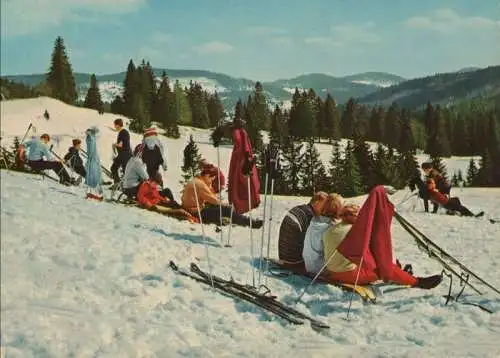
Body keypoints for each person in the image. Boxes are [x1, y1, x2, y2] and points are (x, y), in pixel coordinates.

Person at [304, 186, 442, 289]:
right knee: (384, 268)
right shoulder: (349, 231)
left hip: (333, 271)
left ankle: (402, 274)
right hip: (347, 274)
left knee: (385, 265)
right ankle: (417, 282)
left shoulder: (330, 229)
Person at [181, 166, 263, 228]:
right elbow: (213, 200)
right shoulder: (200, 184)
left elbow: (209, 197)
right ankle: (250, 223)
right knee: (226, 209)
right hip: (196, 212)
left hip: (190, 209)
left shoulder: (195, 180)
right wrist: (225, 205)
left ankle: (230, 219)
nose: (211, 181)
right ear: (207, 175)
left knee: (218, 208)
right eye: (211, 179)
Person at [277, 192, 329, 269]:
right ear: (317, 202)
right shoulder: (310, 216)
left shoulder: (300, 208)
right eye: (324, 205)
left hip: (284, 257)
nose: (325, 209)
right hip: (294, 262)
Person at [110, 118, 132, 183]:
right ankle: (117, 183)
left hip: (125, 155)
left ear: (118, 125)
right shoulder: (123, 132)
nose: (114, 127)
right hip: (122, 155)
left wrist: (114, 145)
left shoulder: (123, 132)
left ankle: (126, 186)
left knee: (124, 171)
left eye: (115, 125)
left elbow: (121, 145)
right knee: (114, 168)